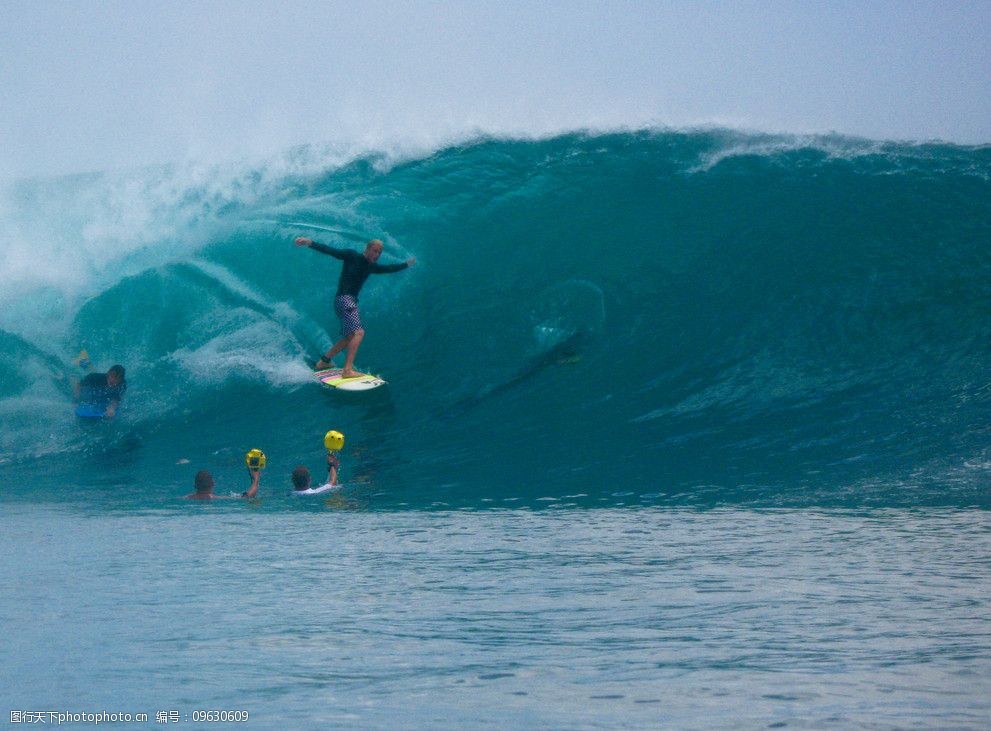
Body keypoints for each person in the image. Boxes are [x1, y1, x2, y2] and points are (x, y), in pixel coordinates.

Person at [294, 237, 415, 377]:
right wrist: (310, 243)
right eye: (375, 251)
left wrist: (407, 264)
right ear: (367, 248)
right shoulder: (352, 256)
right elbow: (331, 251)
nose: (377, 255)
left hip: (343, 302)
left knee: (350, 337)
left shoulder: (371, 267)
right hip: (345, 300)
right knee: (359, 333)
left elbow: (389, 268)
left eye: (379, 253)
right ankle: (347, 370)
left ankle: (324, 361)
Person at [186, 467, 261, 500]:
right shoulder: (214, 498)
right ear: (213, 484)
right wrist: (256, 479)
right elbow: (247, 497)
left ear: (195, 485)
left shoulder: (187, 498)